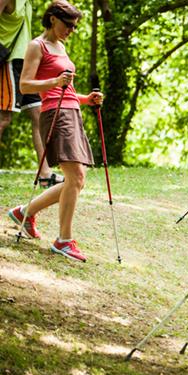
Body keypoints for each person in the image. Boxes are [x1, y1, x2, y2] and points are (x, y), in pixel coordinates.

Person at [7, 0, 102, 262]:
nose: (71, 30)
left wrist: (87, 99)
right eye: (68, 24)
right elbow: (26, 86)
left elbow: (66, 91)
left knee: (76, 179)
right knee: (77, 177)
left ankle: (24, 212)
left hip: (72, 112)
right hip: (55, 114)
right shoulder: (37, 46)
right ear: (52, 19)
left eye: (74, 26)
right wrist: (55, 81)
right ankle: (63, 240)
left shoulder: (61, 47)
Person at [0, 0, 56, 187]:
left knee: (39, 115)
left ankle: (45, 174)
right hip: (8, 60)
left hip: (26, 61)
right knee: (2, 119)